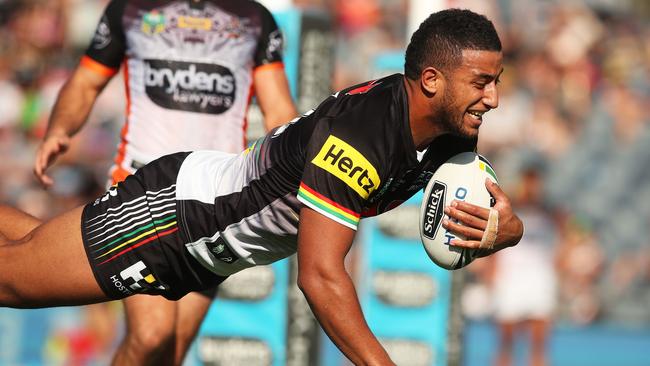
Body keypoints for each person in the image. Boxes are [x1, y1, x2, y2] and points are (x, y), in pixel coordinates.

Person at [2, 9, 523, 365]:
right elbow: (319, 277)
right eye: (482, 83)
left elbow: (486, 209)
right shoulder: (360, 138)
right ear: (431, 81)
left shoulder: (446, 130)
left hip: (206, 251)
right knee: (13, 282)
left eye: (496, 80)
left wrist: (506, 231)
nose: (494, 98)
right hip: (172, 220)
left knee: (35, 249)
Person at [31, 1, 297, 365]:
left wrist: (303, 174)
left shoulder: (254, 18)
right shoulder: (130, 9)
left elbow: (279, 111)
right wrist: (60, 130)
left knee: (172, 350)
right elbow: (86, 80)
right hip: (141, 190)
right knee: (151, 337)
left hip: (213, 199)